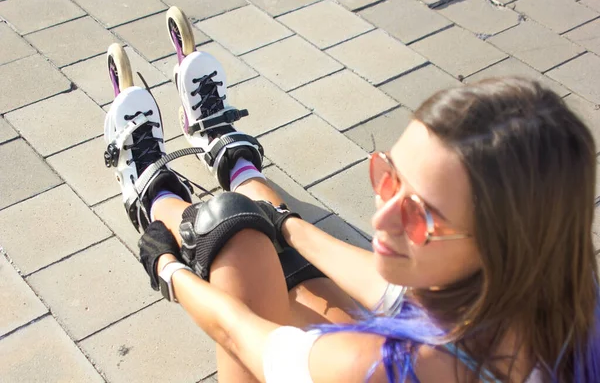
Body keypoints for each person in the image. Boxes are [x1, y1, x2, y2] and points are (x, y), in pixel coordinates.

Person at [103, 42, 599, 381]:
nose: (379, 219)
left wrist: (167, 271)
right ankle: (235, 164)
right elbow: (393, 288)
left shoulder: (398, 368)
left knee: (231, 241)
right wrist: (287, 225)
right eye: (389, 177)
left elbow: (240, 333)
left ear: (501, 248)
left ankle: (154, 193)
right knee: (279, 250)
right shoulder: (567, 294)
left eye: (419, 215)